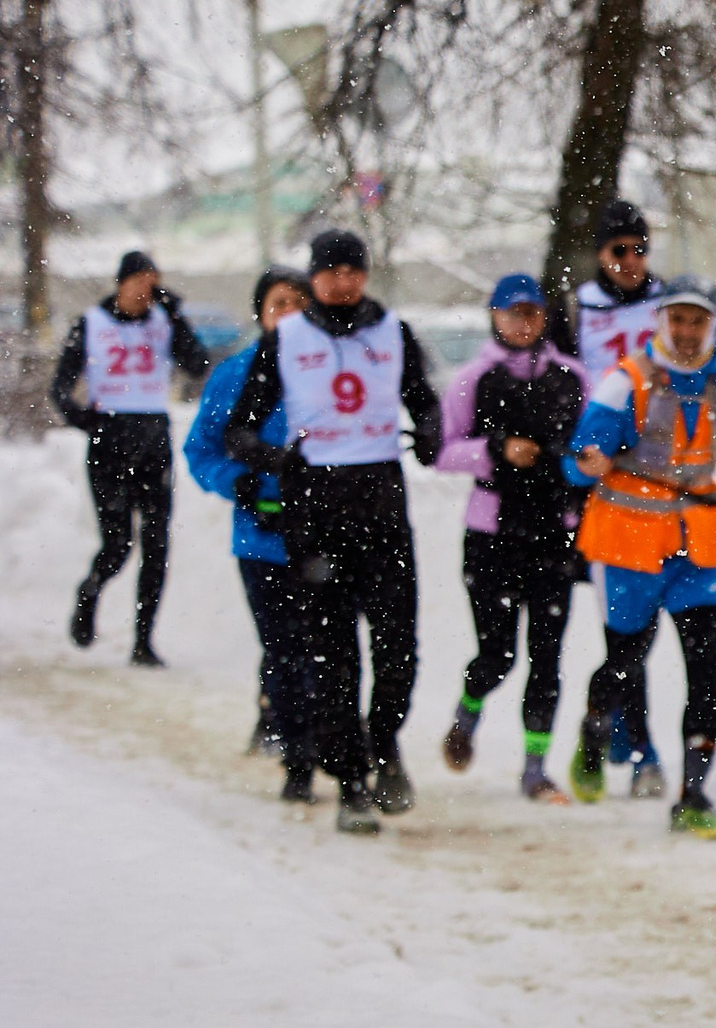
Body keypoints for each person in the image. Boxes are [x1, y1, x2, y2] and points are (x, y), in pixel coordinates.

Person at [224, 228, 443, 835]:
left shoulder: (392, 331)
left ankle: (386, 742)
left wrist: (429, 434)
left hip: (381, 504)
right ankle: (351, 783)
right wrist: (275, 462)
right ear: (312, 277)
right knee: (334, 655)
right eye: (331, 271)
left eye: (354, 270)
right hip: (315, 509)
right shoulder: (285, 339)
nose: (343, 282)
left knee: (399, 650)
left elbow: (425, 401)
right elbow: (239, 431)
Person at [563, 274, 716, 839]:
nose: (688, 331)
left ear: (713, 325)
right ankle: (595, 729)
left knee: (705, 668)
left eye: (698, 320)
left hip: (695, 543)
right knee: (625, 662)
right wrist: (588, 463)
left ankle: (693, 794)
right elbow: (576, 458)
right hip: (628, 543)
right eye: (677, 319)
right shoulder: (624, 381)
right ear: (660, 322)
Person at [433, 274, 589, 802]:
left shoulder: (574, 378)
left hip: (554, 532)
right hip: (493, 534)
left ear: (545, 316)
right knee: (497, 655)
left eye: (532, 312)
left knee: (547, 657)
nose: (523, 322)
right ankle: (468, 709)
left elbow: (594, 446)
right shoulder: (472, 379)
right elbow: (442, 451)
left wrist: (584, 467)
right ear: (494, 317)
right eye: (512, 312)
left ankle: (535, 768)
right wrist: (496, 450)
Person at [183, 267, 318, 802]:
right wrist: (238, 483)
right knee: (285, 647)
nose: (290, 314)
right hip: (262, 538)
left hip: (327, 534)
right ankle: (295, 754)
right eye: (279, 303)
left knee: (323, 647)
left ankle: (318, 738)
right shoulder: (236, 375)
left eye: (300, 304)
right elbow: (201, 451)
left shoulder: (326, 369)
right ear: (260, 311)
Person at [554, 197, 670, 797]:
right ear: (600, 254)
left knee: (643, 626)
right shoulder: (576, 312)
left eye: (640, 249)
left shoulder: (672, 305)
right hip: (603, 483)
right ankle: (636, 741)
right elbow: (563, 389)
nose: (631, 261)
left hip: (666, 483)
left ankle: (624, 733)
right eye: (619, 250)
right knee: (623, 628)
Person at [52, 249, 213, 665]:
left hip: (153, 437)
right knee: (118, 543)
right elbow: (60, 387)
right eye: (141, 280)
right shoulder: (92, 323)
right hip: (110, 441)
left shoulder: (163, 322)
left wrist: (177, 317)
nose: (148, 289)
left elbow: (197, 366)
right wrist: (86, 420)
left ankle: (143, 641)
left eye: (153, 280)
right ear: (122, 282)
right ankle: (90, 590)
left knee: (157, 544)